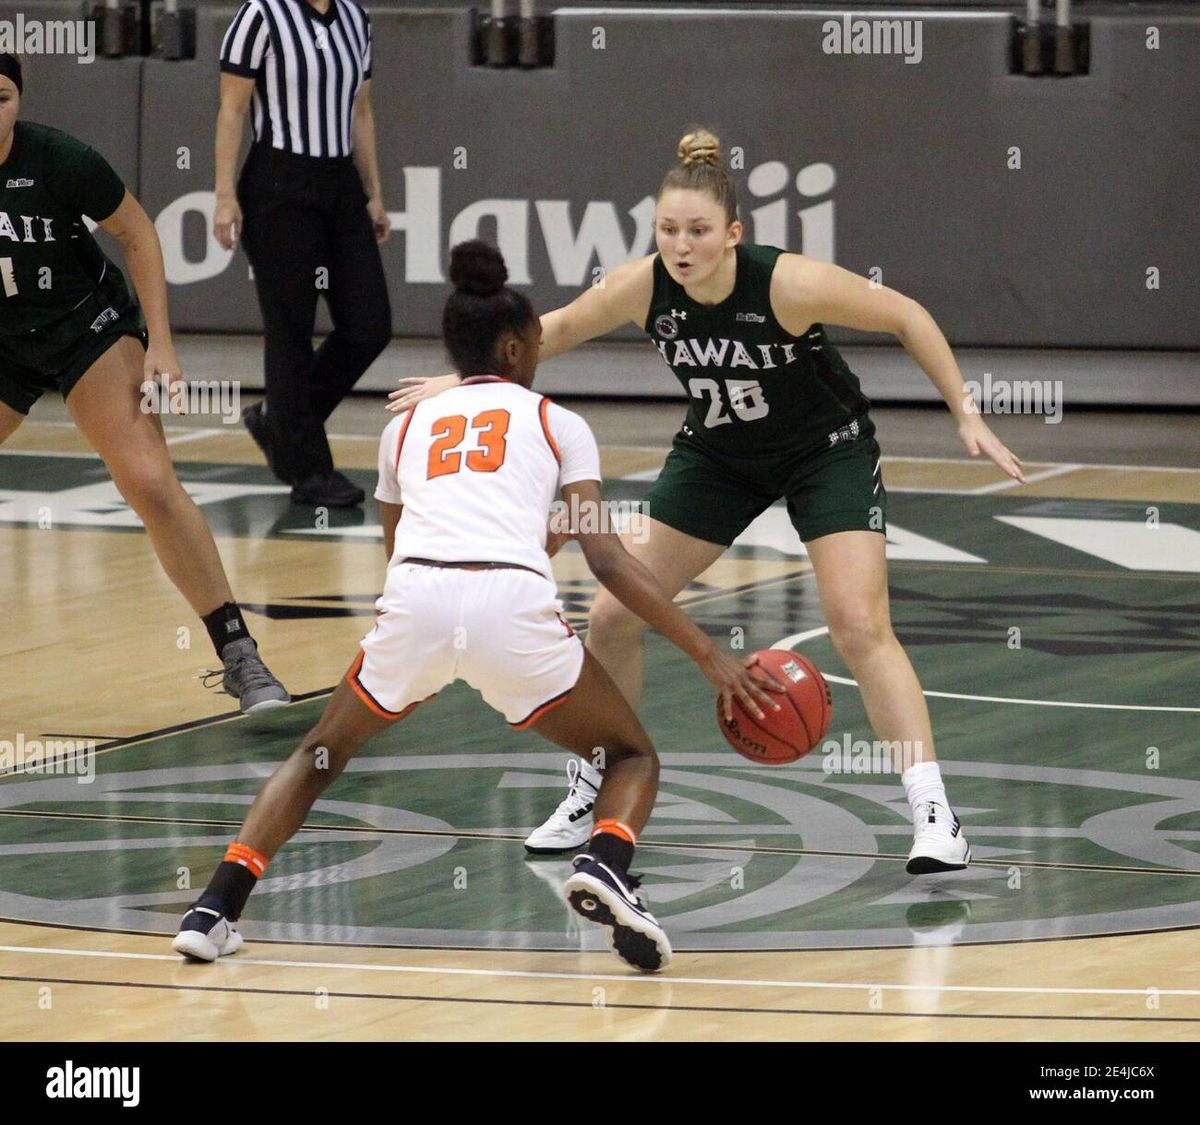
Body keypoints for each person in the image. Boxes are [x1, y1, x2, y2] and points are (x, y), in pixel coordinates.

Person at [390, 128, 1029, 874]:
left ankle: (932, 811)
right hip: (720, 456)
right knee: (612, 612)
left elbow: (906, 314)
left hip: (825, 452)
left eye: (697, 231)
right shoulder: (643, 285)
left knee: (858, 622)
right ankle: (592, 785)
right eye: (668, 230)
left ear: (732, 234)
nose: (681, 246)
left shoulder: (787, 283)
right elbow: (554, 329)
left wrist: (966, 410)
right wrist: (465, 377)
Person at [172, 240, 778, 973]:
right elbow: (609, 559)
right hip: (510, 608)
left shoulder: (405, 426)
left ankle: (214, 907)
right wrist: (708, 651)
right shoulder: (559, 423)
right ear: (517, 347)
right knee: (629, 754)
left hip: (418, 602)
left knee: (317, 755)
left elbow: (406, 547)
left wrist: (449, 631)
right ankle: (608, 862)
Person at [0, 54, 288, 714]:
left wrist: (160, 341)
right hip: (4, 342)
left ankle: (239, 653)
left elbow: (137, 232)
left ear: (20, 99)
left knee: (150, 481)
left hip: (85, 329)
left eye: (4, 96)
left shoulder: (59, 159)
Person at [216, 0, 392, 507]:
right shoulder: (261, 15)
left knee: (369, 324)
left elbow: (361, 111)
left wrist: (373, 191)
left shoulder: (357, 18)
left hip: (338, 183)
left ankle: (282, 423)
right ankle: (308, 470)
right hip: (278, 182)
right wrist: (225, 195)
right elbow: (233, 108)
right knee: (290, 327)